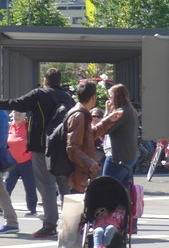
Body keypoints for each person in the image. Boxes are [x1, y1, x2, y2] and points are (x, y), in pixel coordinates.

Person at [0, 68, 74, 238]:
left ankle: (49, 225)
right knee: (65, 186)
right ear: (59, 81)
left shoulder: (39, 94)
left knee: (46, 186)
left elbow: (15, 103)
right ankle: (71, 225)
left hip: (42, 147)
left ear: (45, 81)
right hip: (63, 149)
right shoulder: (67, 98)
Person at [64, 81, 105, 194]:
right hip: (77, 174)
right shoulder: (79, 116)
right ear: (94, 97)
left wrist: (108, 120)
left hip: (79, 173)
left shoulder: (82, 113)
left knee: (78, 209)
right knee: (75, 210)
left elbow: (89, 136)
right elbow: (72, 147)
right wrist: (90, 162)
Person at [97, 84, 139, 187]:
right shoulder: (130, 110)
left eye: (110, 97)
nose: (109, 100)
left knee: (106, 186)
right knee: (122, 188)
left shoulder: (121, 112)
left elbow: (105, 129)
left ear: (116, 98)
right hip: (130, 155)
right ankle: (123, 203)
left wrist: (107, 112)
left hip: (118, 156)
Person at [5, 111, 37, 218]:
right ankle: (2, 208)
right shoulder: (10, 127)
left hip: (27, 162)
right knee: (7, 186)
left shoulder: (28, 127)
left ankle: (31, 209)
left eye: (19, 115)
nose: (17, 117)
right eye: (15, 115)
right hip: (12, 163)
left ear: (24, 117)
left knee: (30, 187)